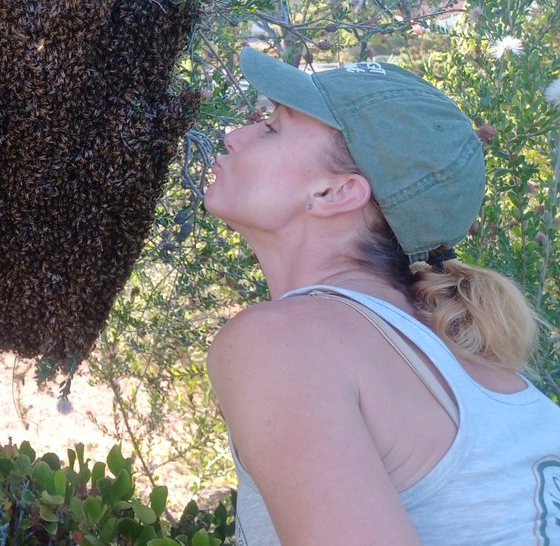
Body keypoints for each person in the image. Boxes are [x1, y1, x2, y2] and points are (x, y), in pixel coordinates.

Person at [204, 46, 560, 546]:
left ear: (336, 193)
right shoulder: (481, 369)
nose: (233, 134)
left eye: (270, 128)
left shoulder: (285, 343)